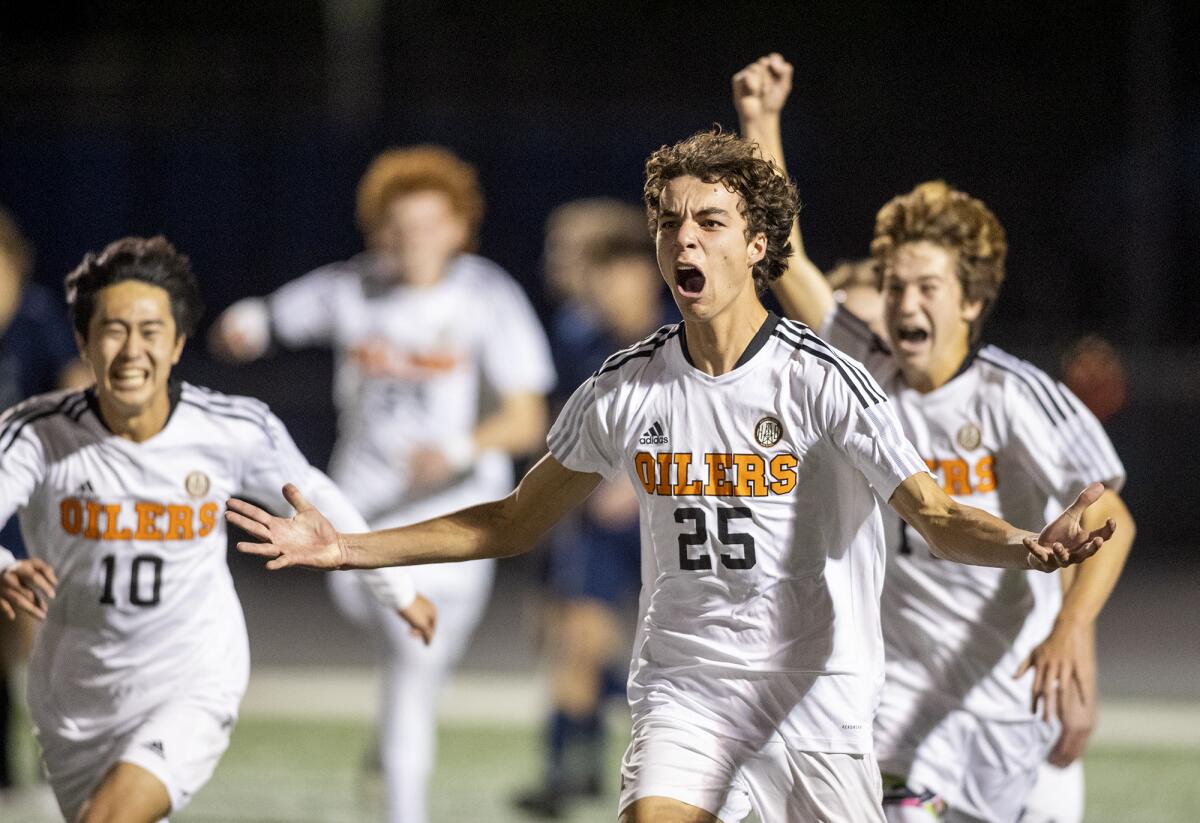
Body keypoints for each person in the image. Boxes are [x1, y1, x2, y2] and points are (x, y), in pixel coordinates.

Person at [229, 128, 1117, 823]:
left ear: (757, 243)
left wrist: (1032, 548)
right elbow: (510, 519)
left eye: (709, 222)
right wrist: (348, 546)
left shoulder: (824, 379)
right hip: (686, 691)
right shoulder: (623, 388)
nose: (682, 238)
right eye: (668, 222)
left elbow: (934, 512)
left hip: (819, 702)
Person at [733, 53, 1135, 822]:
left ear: (971, 300)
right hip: (895, 703)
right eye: (893, 286)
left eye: (926, 288)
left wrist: (1073, 631)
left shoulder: (1015, 397)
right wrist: (761, 122)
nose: (902, 302)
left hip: (1003, 697)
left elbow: (1115, 522)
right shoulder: (864, 368)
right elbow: (787, 262)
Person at [0, 236, 435, 823]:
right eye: (113, 329)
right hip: (74, 695)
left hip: (192, 677)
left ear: (178, 344)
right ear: (83, 340)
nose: (133, 350)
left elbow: (317, 498)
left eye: (151, 331)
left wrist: (398, 590)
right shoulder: (36, 434)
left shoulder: (231, 428)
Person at [210, 145, 556, 823]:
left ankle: (401, 795)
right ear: (377, 231)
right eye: (398, 226)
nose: (413, 240)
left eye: (429, 224)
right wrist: (243, 323)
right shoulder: (352, 286)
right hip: (354, 522)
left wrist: (458, 446)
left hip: (458, 521)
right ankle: (399, 750)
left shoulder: (488, 296)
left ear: (460, 227)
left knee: (413, 668)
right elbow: (268, 318)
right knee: (412, 667)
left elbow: (527, 417)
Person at [516, 202, 674, 818]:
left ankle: (604, 750)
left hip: (666, 515)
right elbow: (561, 418)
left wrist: (635, 483)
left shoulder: (675, 336)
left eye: (617, 272)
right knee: (569, 637)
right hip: (592, 521)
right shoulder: (579, 334)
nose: (606, 287)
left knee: (655, 648)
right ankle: (568, 769)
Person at [0, 207, 92, 794]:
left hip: (21, 495)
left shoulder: (35, 318)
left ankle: (47, 737)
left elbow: (75, 380)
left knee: (28, 624)